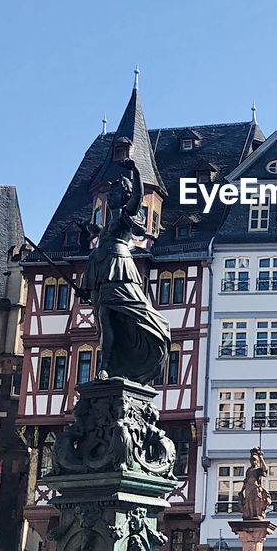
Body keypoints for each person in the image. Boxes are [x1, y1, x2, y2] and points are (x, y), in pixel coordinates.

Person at [77, 157, 170, 385]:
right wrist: (87, 286)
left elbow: (138, 198)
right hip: (100, 269)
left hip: (118, 270)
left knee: (117, 314)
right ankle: (107, 367)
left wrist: (136, 171)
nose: (111, 196)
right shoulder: (109, 223)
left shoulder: (126, 217)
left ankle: (108, 365)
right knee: (103, 321)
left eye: (116, 192)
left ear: (124, 195)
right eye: (110, 193)